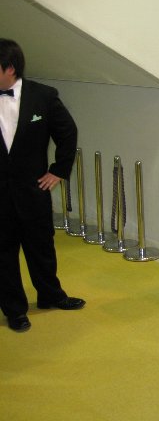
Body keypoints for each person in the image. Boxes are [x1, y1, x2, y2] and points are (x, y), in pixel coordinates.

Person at [0, 38, 86, 333]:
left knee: (41, 247)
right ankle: (15, 310)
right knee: (3, 255)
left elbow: (68, 132)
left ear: (10, 68)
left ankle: (51, 296)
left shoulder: (44, 96)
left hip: (34, 189)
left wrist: (58, 171)